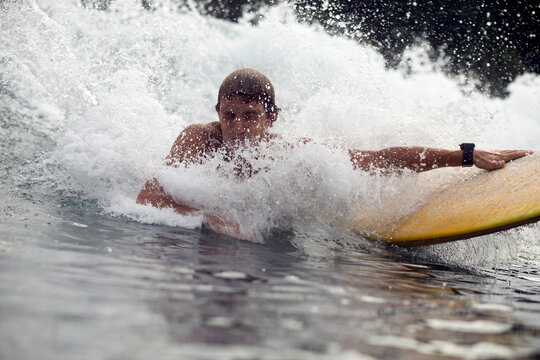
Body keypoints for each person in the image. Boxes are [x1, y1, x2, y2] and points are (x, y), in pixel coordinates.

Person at [137, 68, 532, 240]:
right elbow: (150, 196)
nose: (238, 127)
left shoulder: (289, 155)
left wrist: (466, 155)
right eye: (230, 115)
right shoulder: (198, 140)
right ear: (217, 112)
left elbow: (379, 159)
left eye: (250, 116)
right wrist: (208, 217)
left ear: (272, 118)